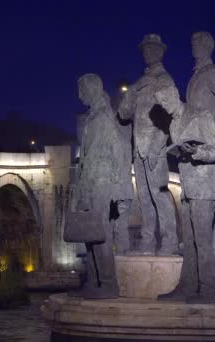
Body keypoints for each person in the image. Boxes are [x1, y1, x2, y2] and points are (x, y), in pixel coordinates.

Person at [118, 34, 178, 255]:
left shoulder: (164, 79)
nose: (147, 52)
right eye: (144, 49)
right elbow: (123, 114)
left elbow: (167, 116)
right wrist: (132, 91)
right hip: (139, 151)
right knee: (144, 199)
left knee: (160, 196)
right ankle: (147, 242)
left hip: (155, 151)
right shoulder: (140, 84)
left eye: (152, 49)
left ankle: (170, 241)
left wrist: (156, 147)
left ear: (160, 52)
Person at [155, 86, 215, 303]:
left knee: (203, 240)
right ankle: (188, 286)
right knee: (188, 241)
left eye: (165, 101)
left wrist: (198, 152)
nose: (165, 107)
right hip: (187, 187)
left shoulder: (202, 116)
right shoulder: (173, 123)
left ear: (174, 95)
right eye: (161, 105)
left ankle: (208, 289)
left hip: (205, 186)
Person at [69, 74, 125, 299]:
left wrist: (117, 186)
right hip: (89, 182)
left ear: (91, 89)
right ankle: (93, 282)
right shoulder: (93, 116)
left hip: (101, 182)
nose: (80, 94)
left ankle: (108, 284)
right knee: (89, 234)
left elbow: (118, 151)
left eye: (82, 89)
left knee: (100, 234)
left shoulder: (103, 116)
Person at [187, 31, 215, 116]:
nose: (193, 47)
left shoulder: (212, 71)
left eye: (197, 43)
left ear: (207, 47)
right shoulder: (195, 74)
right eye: (193, 44)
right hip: (193, 125)